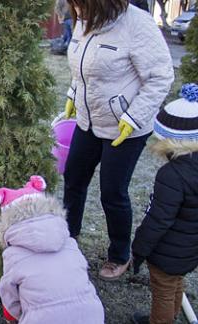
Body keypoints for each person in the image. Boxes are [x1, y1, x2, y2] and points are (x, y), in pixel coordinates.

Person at [63, 0, 174, 280]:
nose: (77, 10)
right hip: (89, 120)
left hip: (126, 127)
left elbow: (161, 77)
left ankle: (119, 254)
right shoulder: (85, 18)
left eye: (81, 3)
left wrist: (134, 117)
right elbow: (83, 68)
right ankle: (68, 237)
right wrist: (72, 96)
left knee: (112, 192)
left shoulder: (138, 25)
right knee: (73, 179)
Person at [0, 176, 104, 324]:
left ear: (7, 222)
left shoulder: (12, 255)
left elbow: (9, 295)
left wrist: (16, 317)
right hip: (92, 315)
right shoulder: (69, 243)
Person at [131, 84, 198, 324]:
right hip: (190, 248)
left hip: (168, 251)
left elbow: (158, 220)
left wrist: (138, 249)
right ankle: (169, 315)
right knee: (175, 282)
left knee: (163, 290)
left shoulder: (172, 175)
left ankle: (161, 319)